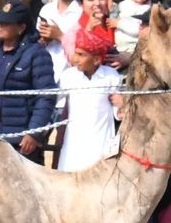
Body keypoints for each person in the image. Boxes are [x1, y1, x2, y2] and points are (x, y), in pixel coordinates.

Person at [0, 3, 56, 159]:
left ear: (21, 28)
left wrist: (34, 133)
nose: (0, 26)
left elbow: (46, 96)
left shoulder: (37, 54)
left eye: (5, 23)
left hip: (19, 137)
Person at [52, 27, 123, 176]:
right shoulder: (68, 76)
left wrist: (122, 105)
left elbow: (118, 113)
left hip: (100, 142)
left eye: (81, 55)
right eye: (75, 53)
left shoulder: (111, 76)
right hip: (73, 143)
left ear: (97, 59)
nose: (75, 59)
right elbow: (53, 101)